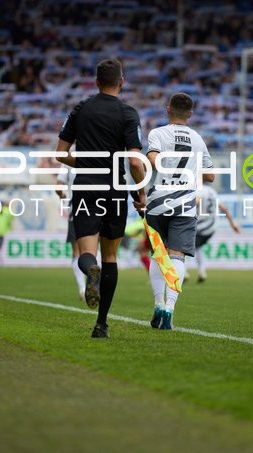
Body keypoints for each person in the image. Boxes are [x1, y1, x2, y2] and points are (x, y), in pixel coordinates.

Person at [56, 58, 147, 339]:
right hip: (116, 188)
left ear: (95, 82)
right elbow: (134, 161)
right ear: (122, 81)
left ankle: (89, 271)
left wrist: (85, 165)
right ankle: (101, 324)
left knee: (86, 253)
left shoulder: (80, 109)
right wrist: (140, 193)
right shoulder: (128, 113)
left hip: (86, 187)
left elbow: (60, 153)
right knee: (110, 257)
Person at [145, 93, 214, 330]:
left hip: (158, 202)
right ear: (190, 114)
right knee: (178, 257)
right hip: (185, 204)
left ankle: (157, 303)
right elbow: (211, 175)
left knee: (158, 255)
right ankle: (169, 309)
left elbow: (153, 159)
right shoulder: (198, 138)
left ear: (168, 109)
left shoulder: (157, 133)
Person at [194, 179, 240, 282]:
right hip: (211, 228)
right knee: (196, 247)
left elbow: (196, 200)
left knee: (182, 247)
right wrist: (233, 224)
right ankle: (200, 271)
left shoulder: (198, 191)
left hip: (200, 227)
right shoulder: (212, 191)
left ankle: (188, 273)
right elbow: (224, 209)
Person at [56, 164, 86, 301]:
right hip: (98, 205)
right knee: (94, 248)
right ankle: (95, 282)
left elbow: (58, 186)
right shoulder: (96, 151)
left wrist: (62, 195)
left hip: (76, 207)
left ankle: (83, 288)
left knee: (76, 251)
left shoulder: (67, 159)